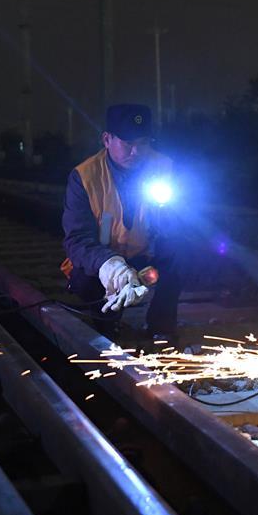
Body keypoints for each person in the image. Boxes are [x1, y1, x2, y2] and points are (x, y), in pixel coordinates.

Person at [61, 104, 185, 343]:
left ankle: (161, 327)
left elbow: (179, 228)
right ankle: (106, 324)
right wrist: (111, 266)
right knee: (85, 280)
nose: (136, 151)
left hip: (145, 261)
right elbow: (76, 240)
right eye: (128, 143)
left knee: (182, 253)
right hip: (103, 264)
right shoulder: (84, 176)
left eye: (143, 142)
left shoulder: (165, 169)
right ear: (107, 139)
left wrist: (168, 217)